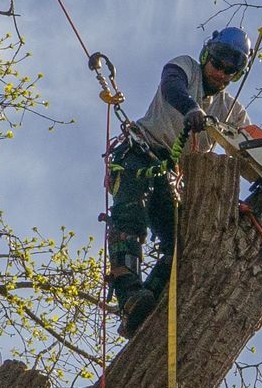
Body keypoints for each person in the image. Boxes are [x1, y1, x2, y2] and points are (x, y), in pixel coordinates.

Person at [106, 26, 253, 335]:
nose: (221, 74)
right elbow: (172, 85)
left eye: (231, 71)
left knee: (180, 242)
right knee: (129, 217)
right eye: (218, 64)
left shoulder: (232, 110)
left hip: (169, 176)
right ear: (206, 55)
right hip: (141, 153)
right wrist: (191, 109)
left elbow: (251, 145)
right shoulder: (186, 67)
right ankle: (129, 294)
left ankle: (152, 299)